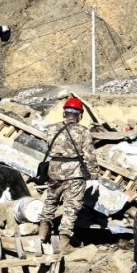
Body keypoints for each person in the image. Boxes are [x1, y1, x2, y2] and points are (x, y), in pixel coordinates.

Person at [39, 97, 99, 253]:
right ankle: (64, 243)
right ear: (80, 115)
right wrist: (94, 174)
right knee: (71, 206)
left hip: (54, 169)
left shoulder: (52, 128)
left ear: (64, 113)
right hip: (73, 172)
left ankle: (42, 234)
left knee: (51, 200)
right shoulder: (83, 131)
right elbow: (89, 155)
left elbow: (50, 146)